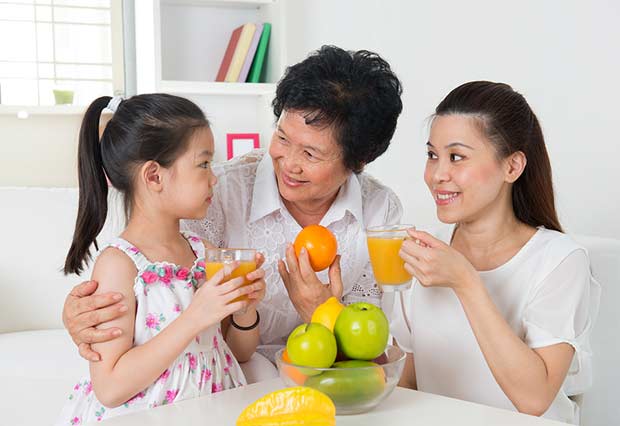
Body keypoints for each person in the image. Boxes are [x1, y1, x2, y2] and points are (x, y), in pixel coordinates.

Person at [61, 45, 404, 363]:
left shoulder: (379, 212)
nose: (289, 163)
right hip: (228, 374)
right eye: (282, 138)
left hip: (324, 374)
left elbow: (372, 355)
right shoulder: (218, 192)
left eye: (311, 154)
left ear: (358, 161)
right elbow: (141, 274)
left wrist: (322, 312)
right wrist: (83, 315)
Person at [391, 81, 600, 424]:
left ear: (512, 167)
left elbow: (534, 399)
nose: (438, 174)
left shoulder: (559, 260)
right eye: (432, 155)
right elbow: (408, 383)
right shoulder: (422, 250)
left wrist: (465, 282)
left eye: (456, 157)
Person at [56, 94, 266, 424]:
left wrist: (244, 309)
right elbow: (109, 388)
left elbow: (236, 353)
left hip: (209, 412)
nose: (215, 177)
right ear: (154, 176)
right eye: (204, 164)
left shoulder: (205, 253)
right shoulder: (120, 266)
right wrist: (195, 316)